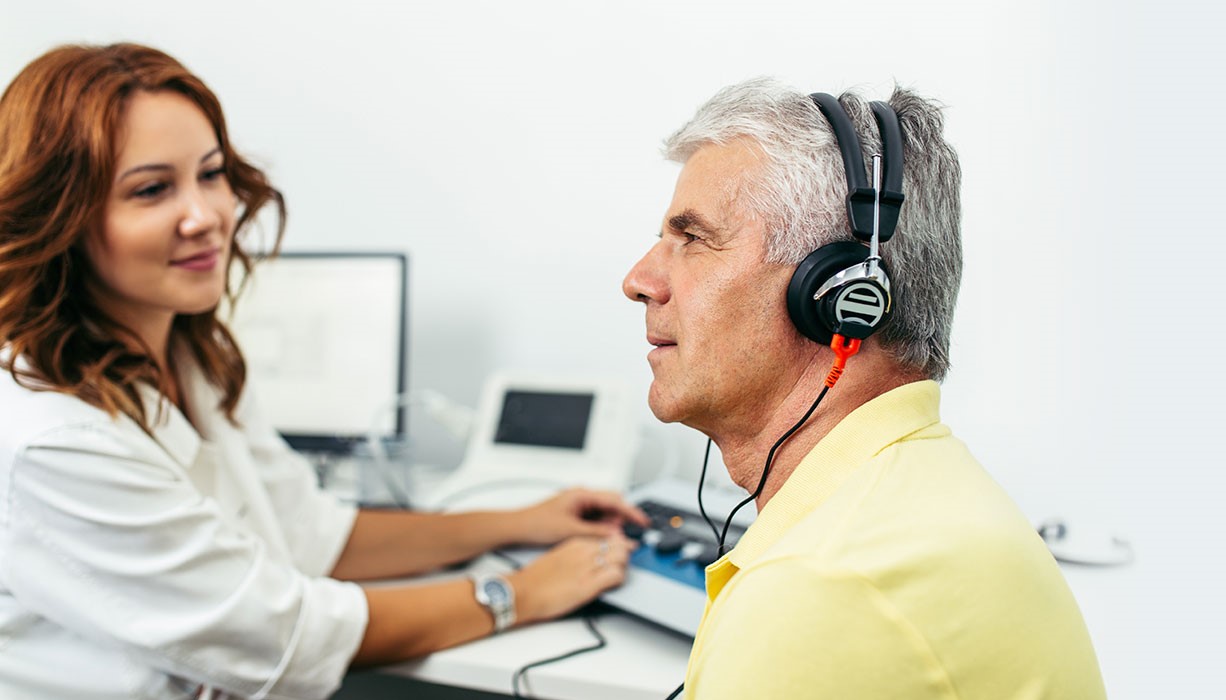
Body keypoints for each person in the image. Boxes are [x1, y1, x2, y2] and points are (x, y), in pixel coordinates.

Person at [0, 43, 647, 699]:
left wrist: (521, 520)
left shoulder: (194, 359)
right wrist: (520, 593)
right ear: (59, 216)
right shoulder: (49, 437)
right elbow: (279, 635)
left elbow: (310, 534)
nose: (205, 216)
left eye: (212, 174)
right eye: (151, 190)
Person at [621, 78, 1105, 698]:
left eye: (692, 239)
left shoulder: (819, 588)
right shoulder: (921, 493)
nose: (638, 280)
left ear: (840, 296)